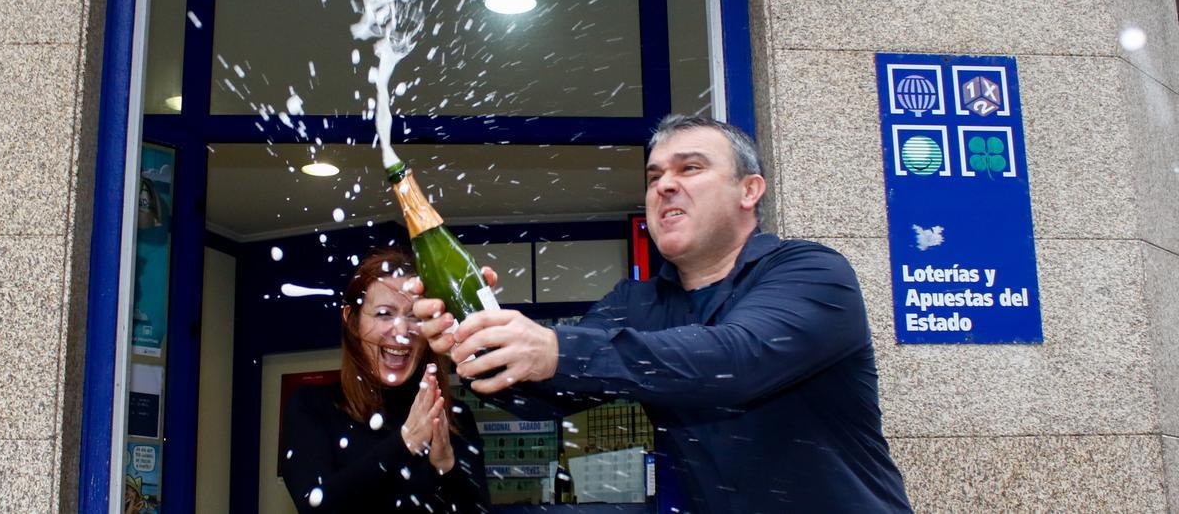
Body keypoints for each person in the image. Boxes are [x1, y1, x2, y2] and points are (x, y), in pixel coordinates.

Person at [413, 115, 911, 512]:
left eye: (690, 168)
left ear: (749, 190)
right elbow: (546, 395)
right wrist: (474, 341)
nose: (664, 185)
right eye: (655, 176)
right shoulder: (636, 304)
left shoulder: (811, 272)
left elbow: (735, 360)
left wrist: (555, 347)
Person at [280, 248, 490, 513]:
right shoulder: (312, 406)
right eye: (383, 314)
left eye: (414, 316)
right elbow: (316, 505)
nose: (402, 331)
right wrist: (406, 443)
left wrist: (446, 465)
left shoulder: (453, 417)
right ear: (352, 322)